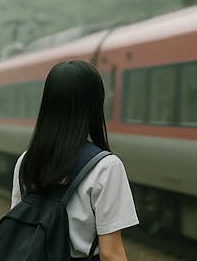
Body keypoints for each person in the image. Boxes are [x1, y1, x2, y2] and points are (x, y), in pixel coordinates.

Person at [11, 60, 139, 261]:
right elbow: (110, 253)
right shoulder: (106, 167)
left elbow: (19, 229)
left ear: (47, 104)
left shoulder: (26, 161)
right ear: (94, 105)